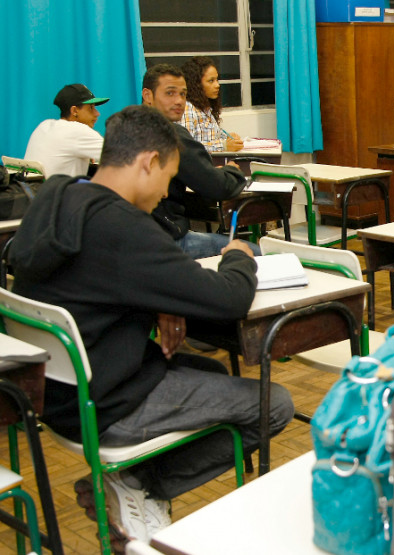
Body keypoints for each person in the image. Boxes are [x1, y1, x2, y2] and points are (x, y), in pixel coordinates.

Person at [8, 105, 294, 553]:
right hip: (106, 404)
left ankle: (129, 485)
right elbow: (229, 299)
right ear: (148, 163)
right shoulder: (123, 227)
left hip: (51, 395)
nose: (166, 193)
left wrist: (164, 301)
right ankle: (142, 488)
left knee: (214, 375)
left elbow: (110, 280)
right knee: (272, 404)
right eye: (170, 177)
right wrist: (238, 254)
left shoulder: (57, 195)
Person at [141, 63, 260, 258]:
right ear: (148, 95)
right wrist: (232, 171)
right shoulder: (170, 135)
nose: (179, 101)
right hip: (166, 241)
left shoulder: (129, 126)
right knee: (255, 253)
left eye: (183, 94)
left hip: (134, 237)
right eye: (170, 93)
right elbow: (217, 186)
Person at [23, 83, 109, 176]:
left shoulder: (44, 126)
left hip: (33, 189)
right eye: (91, 108)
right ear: (74, 111)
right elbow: (122, 155)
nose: (97, 113)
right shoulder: (77, 130)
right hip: (60, 190)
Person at [179, 56, 243, 153]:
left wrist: (229, 137)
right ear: (196, 84)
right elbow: (187, 147)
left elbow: (212, 137)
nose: (217, 85)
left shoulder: (205, 109)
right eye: (211, 81)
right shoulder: (188, 109)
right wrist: (224, 145)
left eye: (217, 80)